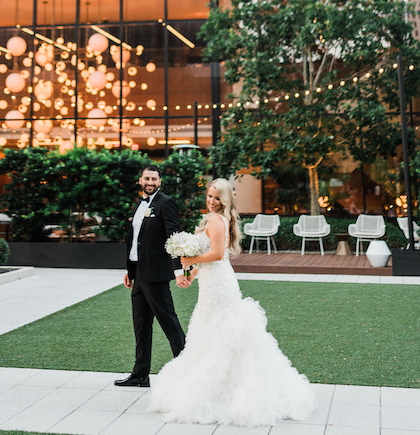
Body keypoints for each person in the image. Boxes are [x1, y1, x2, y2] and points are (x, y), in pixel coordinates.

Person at [149, 178, 316, 426]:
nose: (212, 202)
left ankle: (225, 389)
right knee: (209, 332)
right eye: (209, 196)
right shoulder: (213, 218)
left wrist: (187, 261)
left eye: (217, 198)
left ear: (225, 200)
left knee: (221, 332)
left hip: (219, 285)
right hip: (211, 280)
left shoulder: (216, 220)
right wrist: (190, 275)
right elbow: (211, 256)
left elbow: (216, 254)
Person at [114, 163, 188, 388]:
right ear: (140, 180)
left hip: (155, 275)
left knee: (170, 324)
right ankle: (140, 375)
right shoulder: (139, 205)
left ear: (160, 182)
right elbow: (135, 240)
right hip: (139, 275)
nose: (150, 183)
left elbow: (174, 237)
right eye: (147, 178)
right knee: (141, 325)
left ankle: (189, 370)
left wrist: (179, 271)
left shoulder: (166, 203)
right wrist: (130, 271)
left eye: (154, 179)